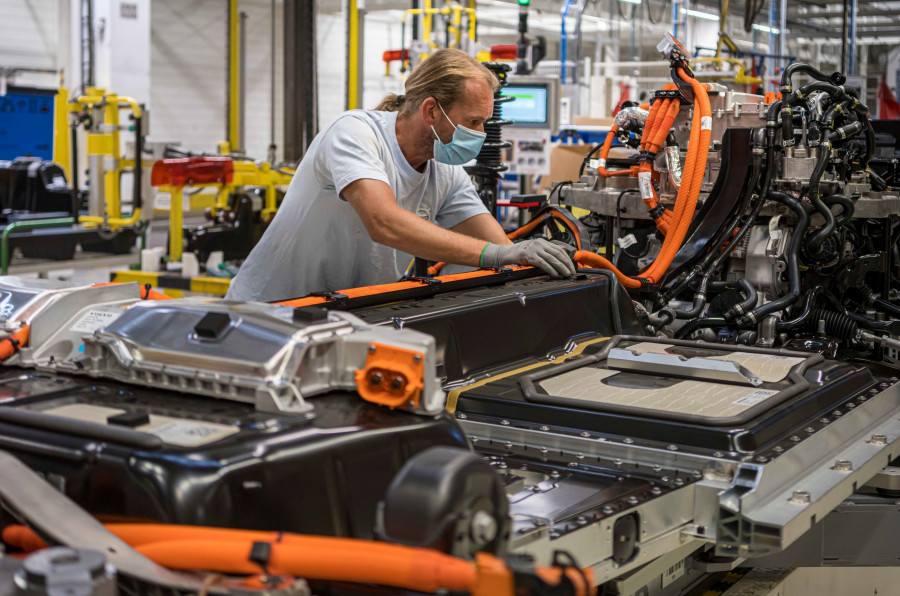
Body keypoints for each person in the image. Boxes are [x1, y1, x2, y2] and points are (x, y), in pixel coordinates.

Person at [225, 48, 575, 303]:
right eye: (473, 122)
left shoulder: (445, 171)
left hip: (341, 314)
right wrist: (502, 255)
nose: (481, 134)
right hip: (268, 312)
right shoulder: (355, 133)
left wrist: (530, 256)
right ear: (431, 110)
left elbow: (498, 248)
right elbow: (385, 222)